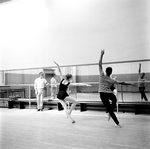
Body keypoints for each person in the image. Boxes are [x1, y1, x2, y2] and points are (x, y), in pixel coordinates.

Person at [99, 50, 133, 128]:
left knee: (113, 101)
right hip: (106, 94)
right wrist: (131, 83)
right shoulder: (111, 79)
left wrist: (101, 55)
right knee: (114, 100)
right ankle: (115, 121)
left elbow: (100, 64)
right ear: (111, 72)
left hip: (103, 94)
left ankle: (109, 113)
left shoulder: (102, 75)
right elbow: (122, 82)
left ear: (106, 71)